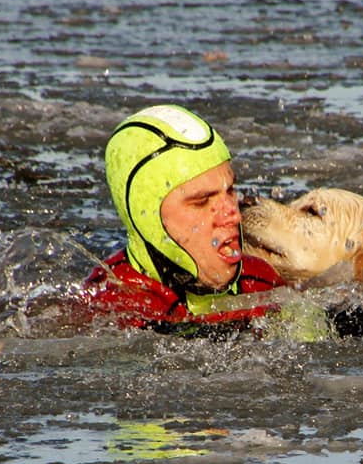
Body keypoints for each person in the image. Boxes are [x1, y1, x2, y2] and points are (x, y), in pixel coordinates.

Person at [84, 104, 285, 336]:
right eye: (201, 202)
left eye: (229, 191)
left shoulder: (259, 281)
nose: (233, 215)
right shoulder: (110, 306)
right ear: (149, 221)